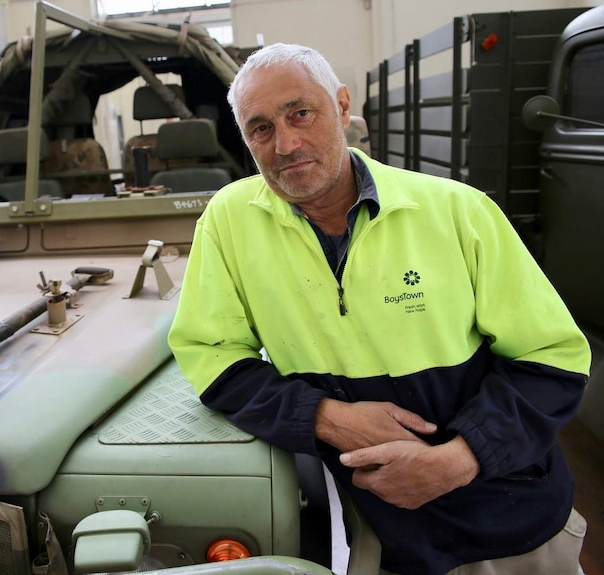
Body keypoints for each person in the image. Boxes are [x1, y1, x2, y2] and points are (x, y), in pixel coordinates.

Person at [167, 43, 590, 575]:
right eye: (261, 128)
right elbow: (210, 354)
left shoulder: (458, 211)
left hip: (507, 521)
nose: (286, 144)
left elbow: (554, 359)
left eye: (301, 113)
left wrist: (460, 459)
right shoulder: (229, 222)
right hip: (375, 534)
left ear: (342, 107)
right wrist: (326, 417)